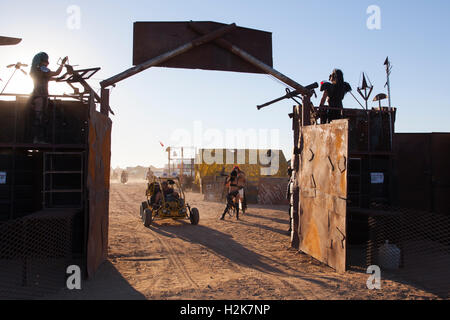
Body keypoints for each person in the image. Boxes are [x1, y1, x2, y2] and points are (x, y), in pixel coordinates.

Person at [29, 52, 67, 143]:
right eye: (45, 60)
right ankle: (37, 139)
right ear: (41, 61)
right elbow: (56, 73)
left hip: (39, 96)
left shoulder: (37, 71)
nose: (47, 63)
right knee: (39, 117)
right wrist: (62, 64)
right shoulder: (42, 70)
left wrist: (60, 78)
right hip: (40, 96)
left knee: (40, 117)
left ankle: (37, 139)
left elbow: (50, 78)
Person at [286, 166, 294, 234]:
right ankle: (291, 228)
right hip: (291, 201)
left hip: (293, 201)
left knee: (292, 215)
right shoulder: (291, 180)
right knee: (291, 214)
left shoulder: (292, 180)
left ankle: (291, 229)